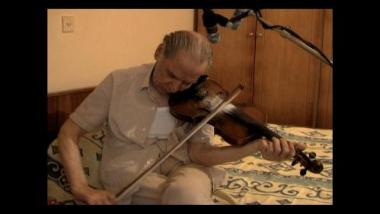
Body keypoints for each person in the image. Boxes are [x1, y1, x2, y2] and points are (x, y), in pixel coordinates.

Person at [57, 30, 305, 205]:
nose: (176, 87)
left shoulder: (202, 98)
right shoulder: (118, 82)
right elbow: (69, 133)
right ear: (158, 52)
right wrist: (81, 188)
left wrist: (253, 148)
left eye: (189, 81)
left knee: (187, 192)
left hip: (187, 167)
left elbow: (200, 154)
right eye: (171, 75)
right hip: (130, 177)